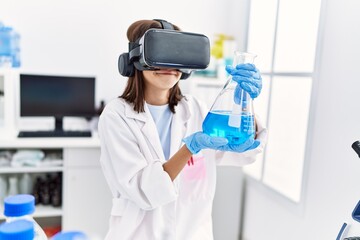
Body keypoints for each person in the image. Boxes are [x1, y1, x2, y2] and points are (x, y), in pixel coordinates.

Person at [98, 19, 267, 240]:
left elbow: (242, 152)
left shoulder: (195, 109)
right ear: (135, 60)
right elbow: (145, 192)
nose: (169, 65)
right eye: (161, 52)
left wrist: (244, 102)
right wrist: (189, 148)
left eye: (177, 54)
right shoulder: (116, 115)